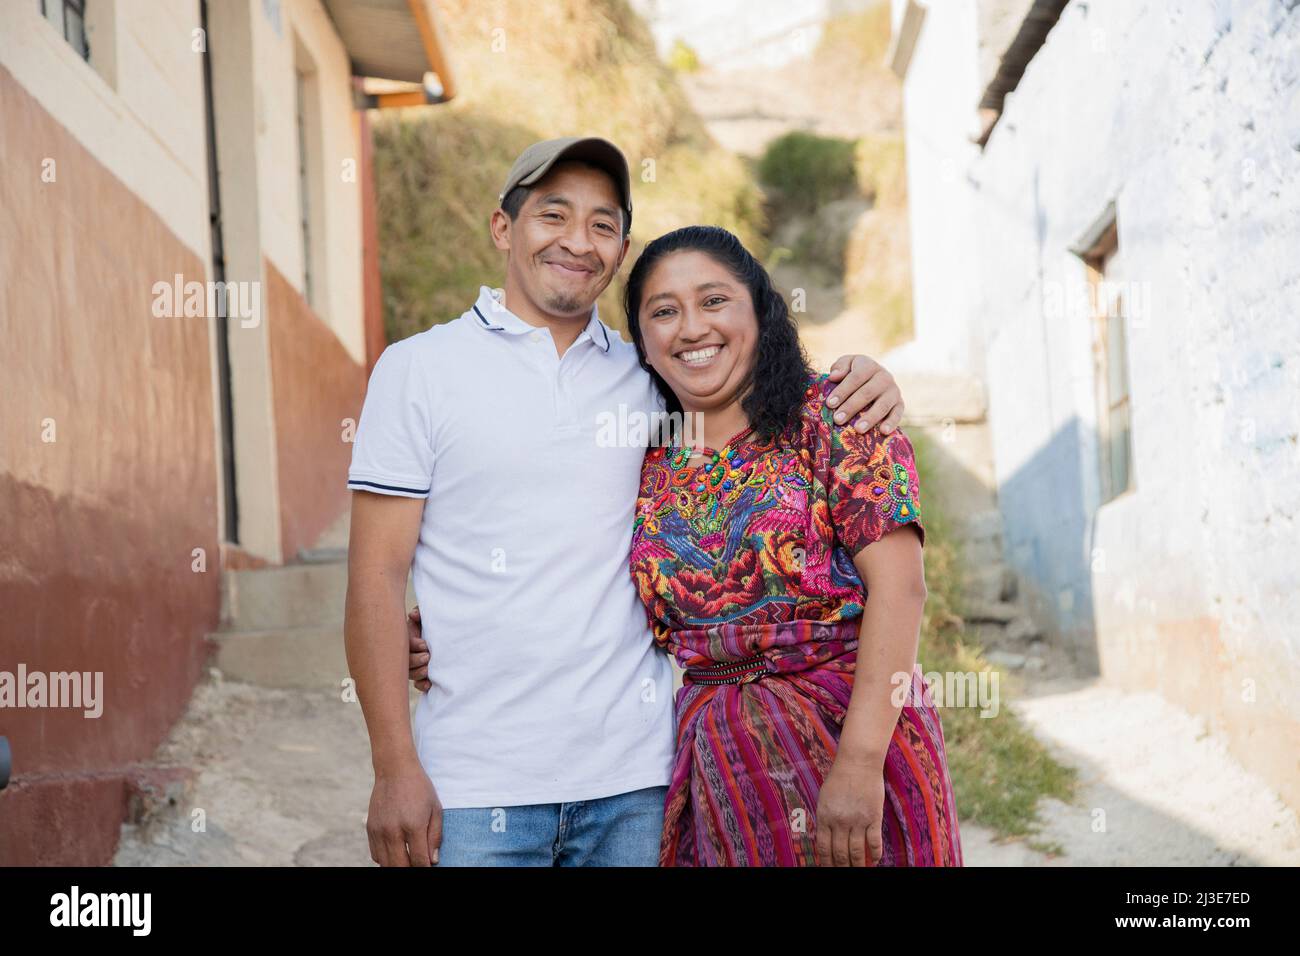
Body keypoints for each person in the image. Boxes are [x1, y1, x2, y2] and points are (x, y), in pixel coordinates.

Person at [347, 136, 912, 867]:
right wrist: (393, 767)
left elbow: (759, 393)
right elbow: (374, 577)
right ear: (502, 228)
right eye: (554, 215)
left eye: (603, 225)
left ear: (618, 252)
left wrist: (870, 380)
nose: (578, 241)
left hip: (639, 785)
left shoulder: (652, 377)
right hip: (473, 783)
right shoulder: (418, 370)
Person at [617, 224, 963, 866]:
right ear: (642, 343)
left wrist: (859, 767)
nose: (692, 328)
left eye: (714, 300)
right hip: (720, 762)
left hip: (851, 737)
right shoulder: (645, 458)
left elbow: (901, 588)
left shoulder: (838, 416)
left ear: (760, 309)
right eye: (664, 312)